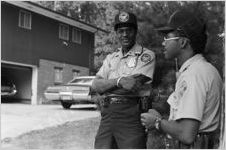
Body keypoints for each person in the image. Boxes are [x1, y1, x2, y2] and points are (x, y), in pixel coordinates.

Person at [141, 9, 223, 149]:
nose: (163, 43)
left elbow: (187, 134)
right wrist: (163, 120)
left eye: (167, 37)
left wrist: (157, 122)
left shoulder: (194, 75)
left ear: (183, 42)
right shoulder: (202, 69)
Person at [91, 11, 156, 149]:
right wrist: (119, 81)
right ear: (116, 33)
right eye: (121, 31)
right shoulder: (111, 58)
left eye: (129, 30)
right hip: (108, 114)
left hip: (131, 114)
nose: (125, 35)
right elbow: (95, 85)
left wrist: (106, 85)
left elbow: (133, 84)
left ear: (135, 31)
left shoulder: (146, 55)